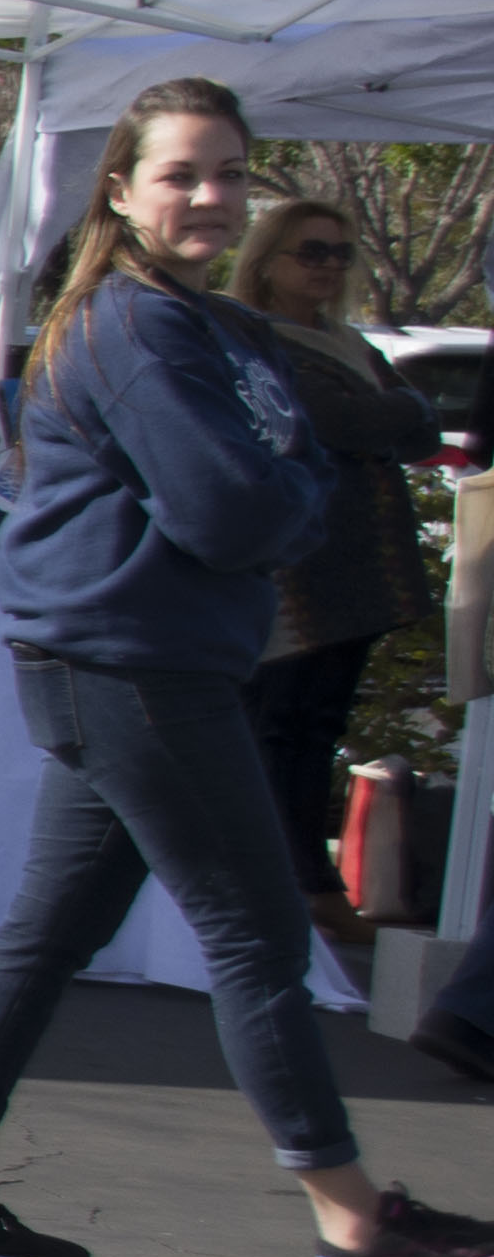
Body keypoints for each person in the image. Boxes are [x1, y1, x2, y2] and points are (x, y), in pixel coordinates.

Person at [0, 79, 494, 1257]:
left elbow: (308, 452)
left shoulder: (211, 328)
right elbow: (233, 506)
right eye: (182, 175)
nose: (212, 198)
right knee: (258, 938)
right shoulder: (133, 328)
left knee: (51, 934)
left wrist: (292, 475)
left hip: (140, 661)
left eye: (229, 175)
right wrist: (297, 487)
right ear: (122, 190)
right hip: (137, 666)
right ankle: (355, 1222)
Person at [227, 194, 436, 945]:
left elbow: (422, 431)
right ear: (269, 258)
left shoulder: (344, 339)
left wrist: (398, 413)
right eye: (311, 251)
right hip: (296, 567)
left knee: (319, 726)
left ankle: (307, 882)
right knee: (279, 727)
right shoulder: (249, 333)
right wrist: (399, 408)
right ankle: (291, 885)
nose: (327, 267)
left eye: (341, 254)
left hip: (360, 567)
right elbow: (339, 421)